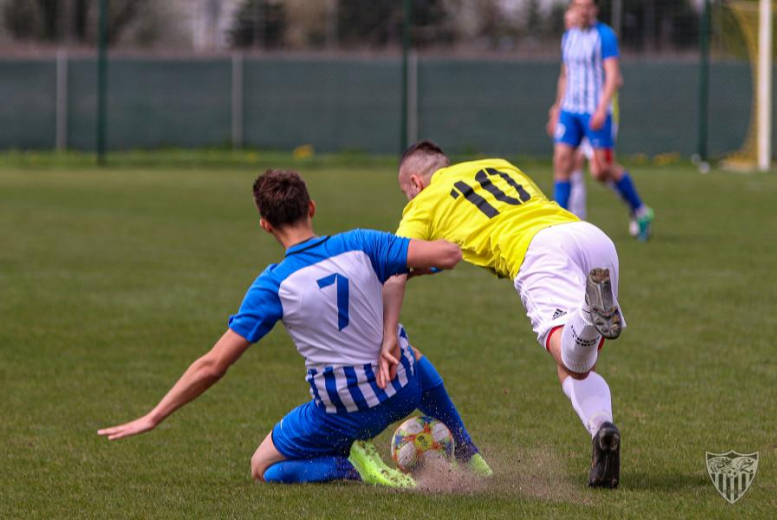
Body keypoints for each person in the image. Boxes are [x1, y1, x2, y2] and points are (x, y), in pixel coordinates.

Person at [98, 169, 491, 486]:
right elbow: (447, 255)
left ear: (265, 225)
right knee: (410, 352)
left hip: (344, 416)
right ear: (312, 208)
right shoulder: (362, 243)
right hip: (403, 391)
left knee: (263, 466)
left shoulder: (273, 285)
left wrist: (153, 416)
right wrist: (402, 267)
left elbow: (212, 365)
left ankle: (351, 466)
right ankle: (466, 449)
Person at [385, 140, 624, 488]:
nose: (409, 202)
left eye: (406, 193)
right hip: (588, 237)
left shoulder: (424, 201)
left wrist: (387, 331)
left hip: (537, 250)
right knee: (577, 367)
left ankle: (589, 311)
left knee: (571, 355)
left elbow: (395, 266)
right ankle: (602, 428)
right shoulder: (498, 164)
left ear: (416, 183)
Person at [547, 0, 653, 240]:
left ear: (594, 10)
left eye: (587, 6)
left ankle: (640, 210)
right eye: (578, 6)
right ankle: (559, 224)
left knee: (601, 169)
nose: (582, 11)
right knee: (562, 160)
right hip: (570, 110)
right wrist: (556, 108)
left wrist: (601, 109)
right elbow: (565, 75)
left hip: (594, 111)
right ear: (573, 8)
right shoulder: (568, 37)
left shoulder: (604, 36)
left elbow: (613, 75)